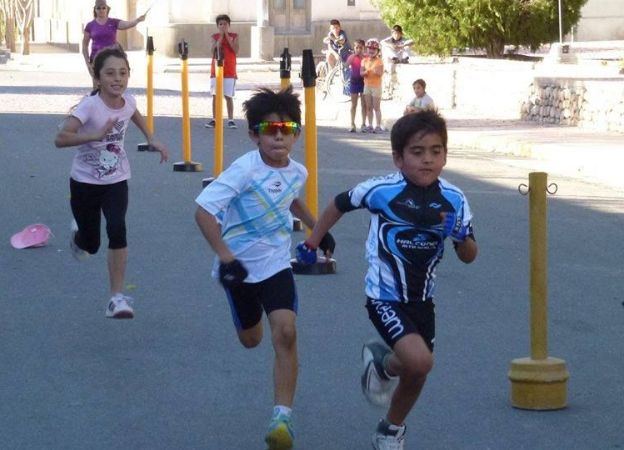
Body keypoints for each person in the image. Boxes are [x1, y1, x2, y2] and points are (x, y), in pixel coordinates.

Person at [302, 110, 478, 450]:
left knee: (417, 371)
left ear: (445, 155)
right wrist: (314, 239)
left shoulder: (455, 199)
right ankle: (385, 363)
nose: (427, 159)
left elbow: (469, 255)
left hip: (423, 300)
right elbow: (338, 204)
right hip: (384, 297)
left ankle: (391, 426)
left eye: (436, 151)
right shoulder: (381, 189)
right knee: (421, 360)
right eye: (417, 152)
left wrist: (459, 236)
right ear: (398, 158)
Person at [194, 87, 335, 450]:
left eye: (285, 129)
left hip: (276, 264)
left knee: (286, 333)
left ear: (296, 135)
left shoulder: (297, 171)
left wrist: (317, 230)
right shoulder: (242, 171)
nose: (278, 136)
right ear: (254, 134)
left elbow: (290, 199)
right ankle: (241, 308)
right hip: (238, 268)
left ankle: (282, 418)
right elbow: (204, 212)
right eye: (268, 129)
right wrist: (226, 257)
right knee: (251, 340)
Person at [54, 47, 169, 319]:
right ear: (98, 79)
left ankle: (116, 298)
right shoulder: (89, 106)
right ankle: (78, 235)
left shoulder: (127, 101)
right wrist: (93, 135)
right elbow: (60, 139)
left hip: (117, 179)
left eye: (123, 73)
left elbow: (134, 113)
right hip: (84, 182)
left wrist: (151, 138)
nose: (117, 79)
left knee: (118, 228)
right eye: (110, 73)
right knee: (91, 244)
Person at [81, 0, 145, 81]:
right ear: (95, 10)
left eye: (103, 8)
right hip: (96, 59)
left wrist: (137, 20)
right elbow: (84, 45)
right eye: (98, 8)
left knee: (111, 83)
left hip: (112, 59)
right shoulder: (90, 25)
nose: (101, 10)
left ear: (107, 9)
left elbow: (127, 24)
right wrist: (87, 63)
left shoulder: (113, 22)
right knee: (97, 85)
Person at [204, 14, 239, 130]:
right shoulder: (214, 37)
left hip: (229, 70)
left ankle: (230, 120)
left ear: (229, 25)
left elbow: (235, 49)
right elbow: (213, 50)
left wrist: (227, 37)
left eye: (225, 24)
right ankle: (215, 119)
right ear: (217, 26)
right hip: (216, 70)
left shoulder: (234, 36)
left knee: (228, 96)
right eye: (220, 24)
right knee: (215, 95)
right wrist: (221, 37)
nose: (223, 26)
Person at [360, 38, 384, 133]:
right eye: (369, 48)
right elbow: (361, 73)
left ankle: (378, 125)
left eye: (374, 49)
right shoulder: (364, 60)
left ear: (377, 51)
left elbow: (380, 73)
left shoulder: (379, 61)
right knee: (368, 107)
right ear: (366, 50)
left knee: (376, 107)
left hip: (376, 86)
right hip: (367, 86)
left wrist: (375, 71)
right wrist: (364, 72)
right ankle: (370, 125)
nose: (371, 50)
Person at [346, 39, 366, 132]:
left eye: (360, 48)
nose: (358, 49)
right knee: (353, 104)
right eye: (356, 47)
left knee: (364, 104)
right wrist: (352, 57)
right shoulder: (352, 57)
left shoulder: (366, 58)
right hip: (354, 81)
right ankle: (352, 123)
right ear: (354, 48)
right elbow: (347, 65)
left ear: (364, 48)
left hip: (363, 82)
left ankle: (363, 123)